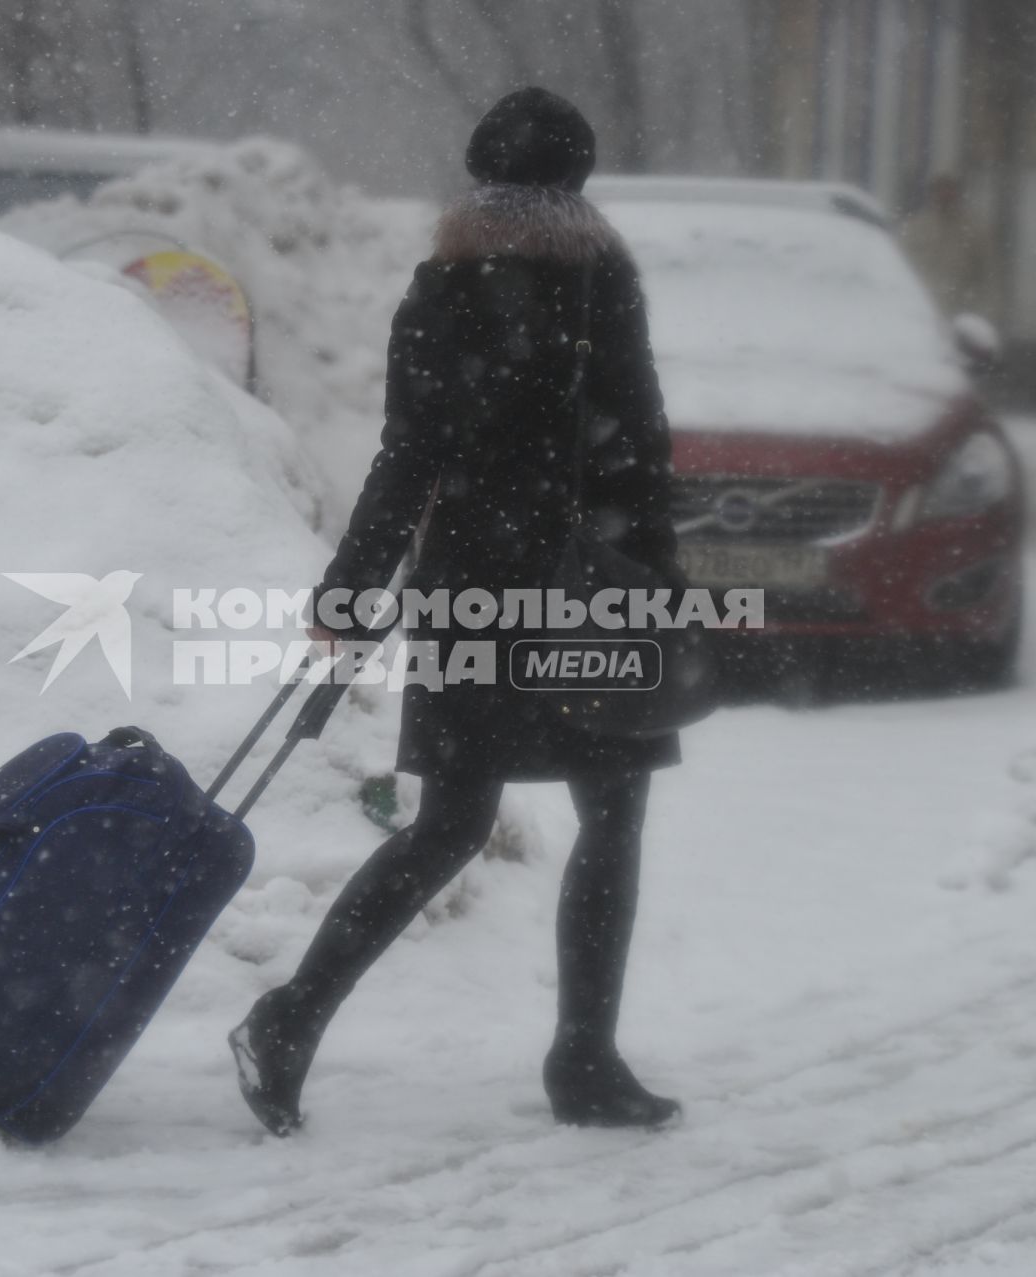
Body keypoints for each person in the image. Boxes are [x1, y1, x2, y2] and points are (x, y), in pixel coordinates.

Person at [228, 87, 685, 1136]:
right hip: (597, 592)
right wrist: (655, 580)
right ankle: (583, 1057)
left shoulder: (446, 284)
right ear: (578, 176)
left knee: (452, 824)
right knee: (610, 814)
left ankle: (290, 1021)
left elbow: (411, 456)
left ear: (479, 178)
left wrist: (353, 587)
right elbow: (642, 445)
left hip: (476, 590)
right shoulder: (602, 279)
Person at [898, 173, 996, 318]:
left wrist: (981, 312)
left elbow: (989, 277)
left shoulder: (974, 231)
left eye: (949, 188)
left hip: (960, 315)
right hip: (921, 314)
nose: (945, 194)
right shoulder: (913, 229)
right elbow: (900, 270)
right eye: (940, 188)